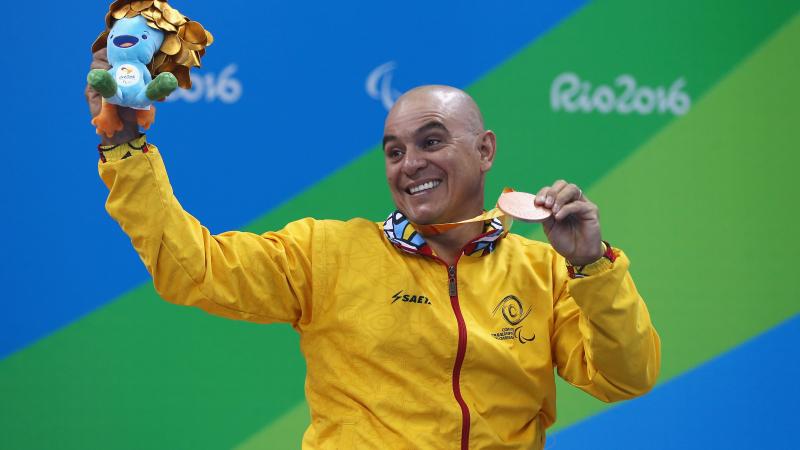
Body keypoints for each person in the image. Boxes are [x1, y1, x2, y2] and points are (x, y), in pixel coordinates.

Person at [86, 47, 660, 449]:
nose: (410, 164)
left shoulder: (546, 270)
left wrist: (591, 264)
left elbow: (626, 377)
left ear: (485, 150)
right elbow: (195, 268)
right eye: (394, 151)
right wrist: (126, 147)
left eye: (431, 141)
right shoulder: (324, 253)